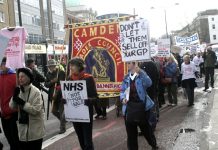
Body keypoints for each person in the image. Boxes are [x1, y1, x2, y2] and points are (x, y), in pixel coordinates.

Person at [120, 62, 158, 150]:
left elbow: (149, 83)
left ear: (134, 64)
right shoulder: (126, 77)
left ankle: (153, 144)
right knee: (131, 133)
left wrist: (141, 72)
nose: (127, 64)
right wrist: (123, 99)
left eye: (129, 63)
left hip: (142, 107)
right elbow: (122, 91)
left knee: (146, 130)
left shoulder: (141, 75)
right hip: (129, 107)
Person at [9, 68, 45, 150]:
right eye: (19, 77)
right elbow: (12, 106)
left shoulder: (36, 92)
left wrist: (23, 103)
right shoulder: (19, 90)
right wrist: (14, 97)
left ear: (29, 77)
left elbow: (35, 110)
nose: (20, 79)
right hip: (22, 131)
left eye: (23, 76)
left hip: (35, 132)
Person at [69, 57, 98, 150]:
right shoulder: (69, 79)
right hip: (74, 114)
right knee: (81, 140)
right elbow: (67, 95)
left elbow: (96, 98)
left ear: (79, 66)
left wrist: (88, 100)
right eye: (70, 65)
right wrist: (64, 100)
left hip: (86, 114)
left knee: (87, 142)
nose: (71, 67)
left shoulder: (88, 78)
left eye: (73, 65)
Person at [0, 57, 20, 150]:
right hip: (3, 113)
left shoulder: (15, 76)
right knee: (10, 140)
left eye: (2, 64)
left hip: (14, 113)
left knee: (16, 140)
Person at [45, 59, 66, 134]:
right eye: (49, 66)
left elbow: (62, 85)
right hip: (52, 96)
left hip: (60, 96)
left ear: (55, 66)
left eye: (52, 66)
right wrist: (52, 81)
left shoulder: (61, 72)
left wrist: (56, 93)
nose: (51, 67)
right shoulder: (48, 74)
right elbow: (46, 84)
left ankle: (62, 128)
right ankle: (63, 121)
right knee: (53, 111)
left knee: (61, 112)